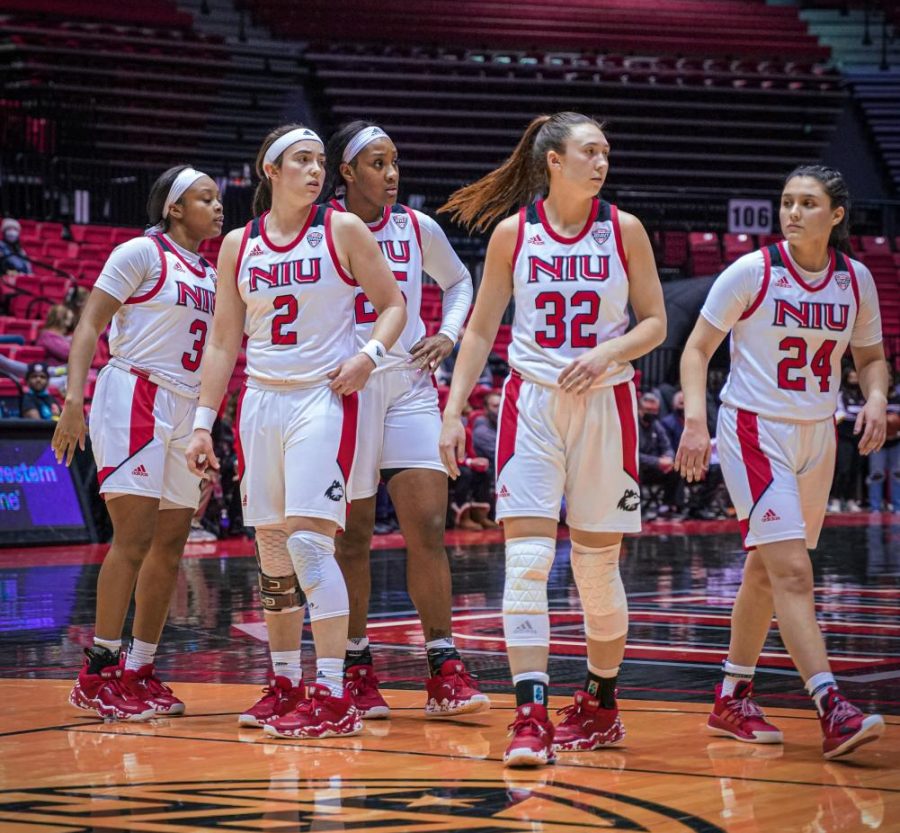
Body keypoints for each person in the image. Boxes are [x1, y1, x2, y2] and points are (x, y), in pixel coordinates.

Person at [439, 112, 666, 767]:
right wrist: (453, 411)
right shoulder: (516, 233)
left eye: (606, 151)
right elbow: (481, 330)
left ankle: (599, 704)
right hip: (532, 404)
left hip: (606, 404)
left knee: (597, 568)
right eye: (590, 151)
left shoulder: (625, 230)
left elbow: (653, 322)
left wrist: (608, 351)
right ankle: (530, 714)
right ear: (554, 162)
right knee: (529, 562)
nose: (603, 162)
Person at [185, 123, 406, 740]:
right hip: (260, 402)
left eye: (319, 161)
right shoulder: (237, 244)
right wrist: (204, 424)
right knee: (274, 553)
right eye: (302, 160)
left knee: (311, 546)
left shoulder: (342, 228)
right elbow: (225, 340)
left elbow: (394, 304)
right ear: (271, 170)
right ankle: (284, 684)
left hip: (321, 400)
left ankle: (333, 693)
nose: (315, 170)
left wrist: (369, 356)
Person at [675, 164, 888, 759]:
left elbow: (870, 356)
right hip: (753, 429)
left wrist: (873, 397)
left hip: (819, 433)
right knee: (793, 571)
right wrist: (695, 422)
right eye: (787, 202)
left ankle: (731, 697)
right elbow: (695, 350)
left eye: (808, 203)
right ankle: (831, 706)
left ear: (836, 215)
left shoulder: (857, 279)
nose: (792, 212)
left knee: (767, 573)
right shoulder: (753, 270)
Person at [320, 120, 487, 719]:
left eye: (395, 163)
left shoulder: (418, 228)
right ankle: (355, 665)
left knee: (427, 528)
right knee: (356, 536)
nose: (391, 174)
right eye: (378, 164)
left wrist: (446, 332)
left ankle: (443, 665)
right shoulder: (323, 231)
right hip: (349, 388)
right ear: (346, 172)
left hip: (411, 385)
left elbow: (460, 280)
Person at [52, 165, 223, 721]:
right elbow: (88, 326)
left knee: (171, 543)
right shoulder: (139, 254)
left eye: (218, 199)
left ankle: (139, 669)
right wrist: (73, 400)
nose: (218, 207)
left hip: (185, 404)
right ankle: (98, 669)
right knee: (134, 537)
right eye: (205, 199)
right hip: (135, 395)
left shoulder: (212, 271)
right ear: (174, 208)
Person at [637, 391, 680, 520]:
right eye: (648, 410)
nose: (651, 414)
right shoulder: (633, 425)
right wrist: (657, 462)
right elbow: (633, 455)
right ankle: (638, 510)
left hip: (655, 468)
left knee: (676, 468)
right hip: (638, 468)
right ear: (639, 408)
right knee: (636, 469)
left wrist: (668, 458)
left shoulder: (656, 425)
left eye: (654, 411)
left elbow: (667, 447)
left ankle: (668, 506)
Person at [832, 367, 866, 512]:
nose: (854, 381)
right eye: (851, 378)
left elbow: (864, 411)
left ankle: (851, 499)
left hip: (858, 435)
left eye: (856, 378)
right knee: (843, 468)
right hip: (844, 435)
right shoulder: (841, 394)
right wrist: (859, 413)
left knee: (856, 469)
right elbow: (843, 413)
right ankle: (836, 499)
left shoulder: (862, 394)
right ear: (846, 379)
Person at [867, 365, 900, 512]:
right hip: (877, 441)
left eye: (891, 379)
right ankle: (875, 507)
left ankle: (897, 505)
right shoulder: (875, 398)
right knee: (876, 475)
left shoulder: (898, 398)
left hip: (896, 441)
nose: (889, 381)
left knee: (897, 474)